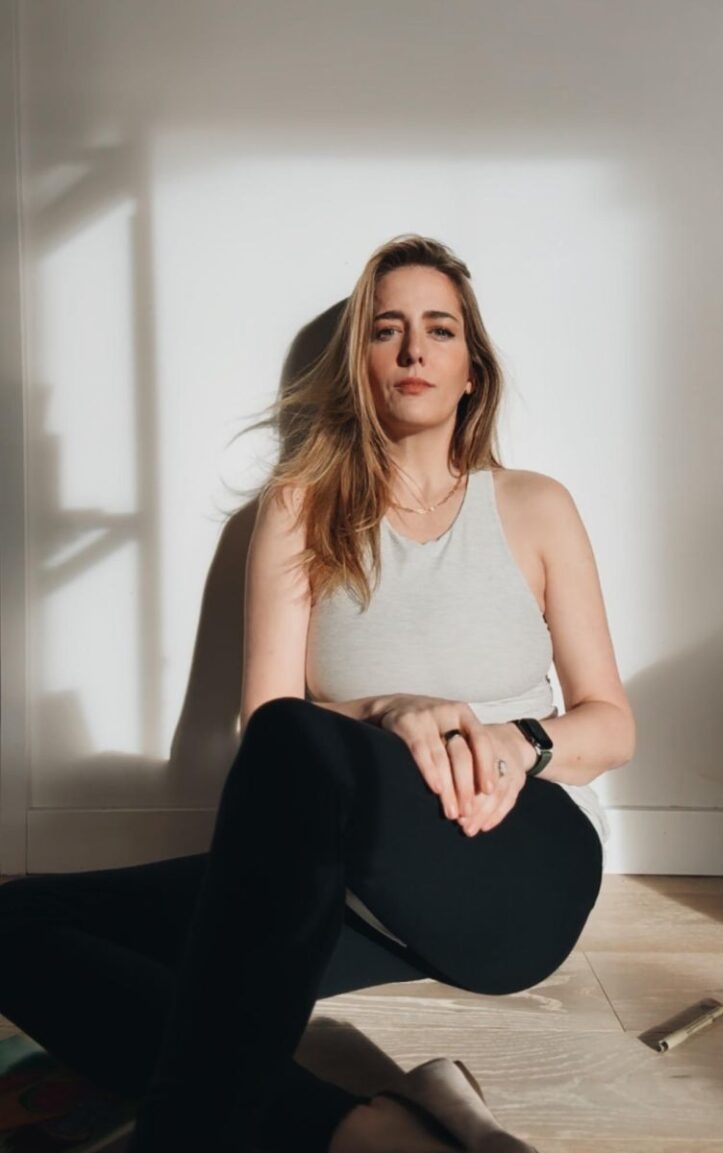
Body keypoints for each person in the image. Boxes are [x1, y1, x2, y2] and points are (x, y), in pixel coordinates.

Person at [0, 234, 635, 1153]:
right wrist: (385, 710)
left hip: (517, 864)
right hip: (348, 883)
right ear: (359, 366)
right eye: (386, 329)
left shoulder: (536, 506)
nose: (413, 349)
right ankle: (367, 1130)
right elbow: (268, 725)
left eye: (439, 329)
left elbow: (611, 725)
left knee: (269, 829)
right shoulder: (300, 506)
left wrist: (516, 743)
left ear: (471, 370)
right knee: (19, 921)